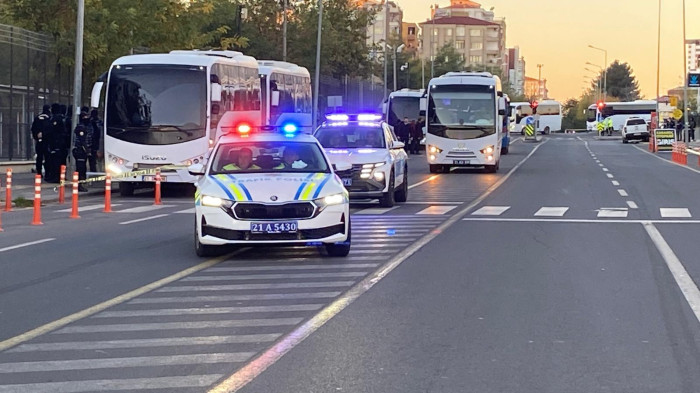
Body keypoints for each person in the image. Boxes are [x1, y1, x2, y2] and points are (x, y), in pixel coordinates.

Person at [72, 107, 92, 192]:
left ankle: (80, 184)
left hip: (82, 151)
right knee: (80, 168)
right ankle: (79, 185)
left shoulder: (84, 126)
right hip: (80, 151)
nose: (87, 118)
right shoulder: (81, 127)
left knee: (82, 168)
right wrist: (87, 151)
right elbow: (82, 141)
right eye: (85, 117)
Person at [31, 104, 52, 176]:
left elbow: (33, 129)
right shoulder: (49, 118)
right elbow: (50, 130)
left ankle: (39, 172)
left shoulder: (37, 118)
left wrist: (36, 137)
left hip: (39, 141)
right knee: (47, 157)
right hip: (47, 141)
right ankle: (47, 173)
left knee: (39, 157)